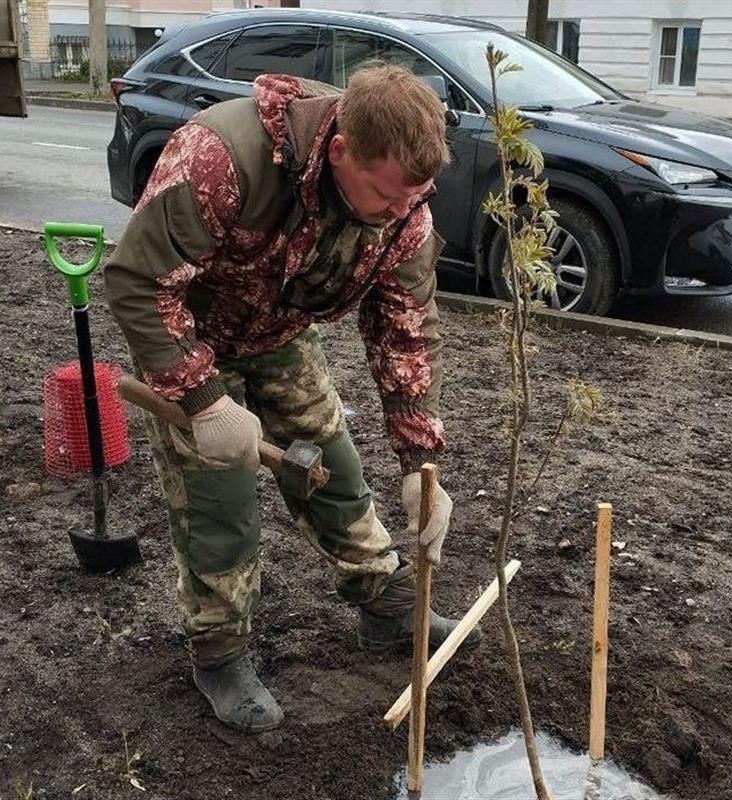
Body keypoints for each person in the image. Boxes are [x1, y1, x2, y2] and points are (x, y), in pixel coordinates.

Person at [104, 65, 479, 733]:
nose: (402, 214)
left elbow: (406, 330)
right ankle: (218, 655)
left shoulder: (405, 212)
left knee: (332, 463)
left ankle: (385, 604)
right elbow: (138, 281)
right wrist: (203, 401)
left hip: (278, 334)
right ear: (339, 150)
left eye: (414, 197)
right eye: (387, 197)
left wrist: (421, 464)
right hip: (187, 335)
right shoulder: (220, 157)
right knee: (223, 502)